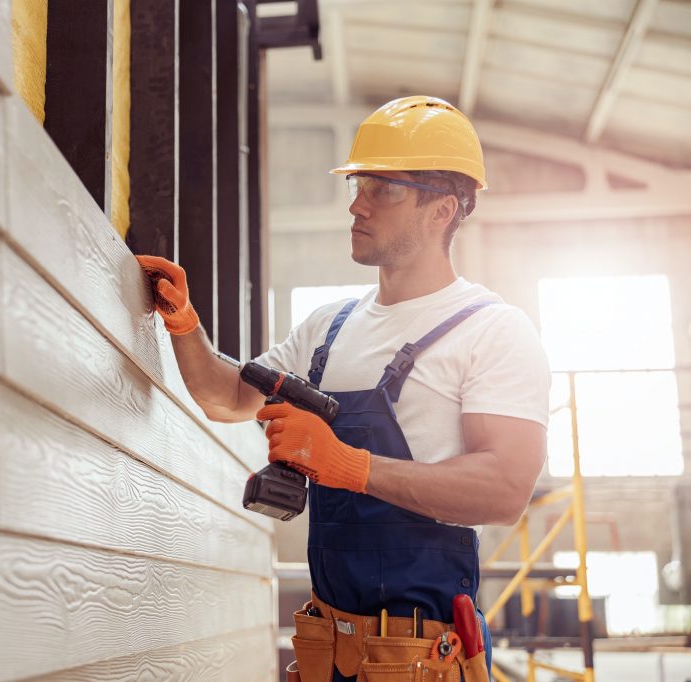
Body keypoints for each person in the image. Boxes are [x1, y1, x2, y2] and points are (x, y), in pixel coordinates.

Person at [136, 95, 549, 681]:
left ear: (442, 210)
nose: (357, 204)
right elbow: (227, 397)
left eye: (384, 189)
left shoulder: (493, 329)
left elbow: (505, 490)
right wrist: (183, 325)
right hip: (327, 652)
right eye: (358, 185)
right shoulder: (327, 328)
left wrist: (347, 466)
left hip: (419, 659)